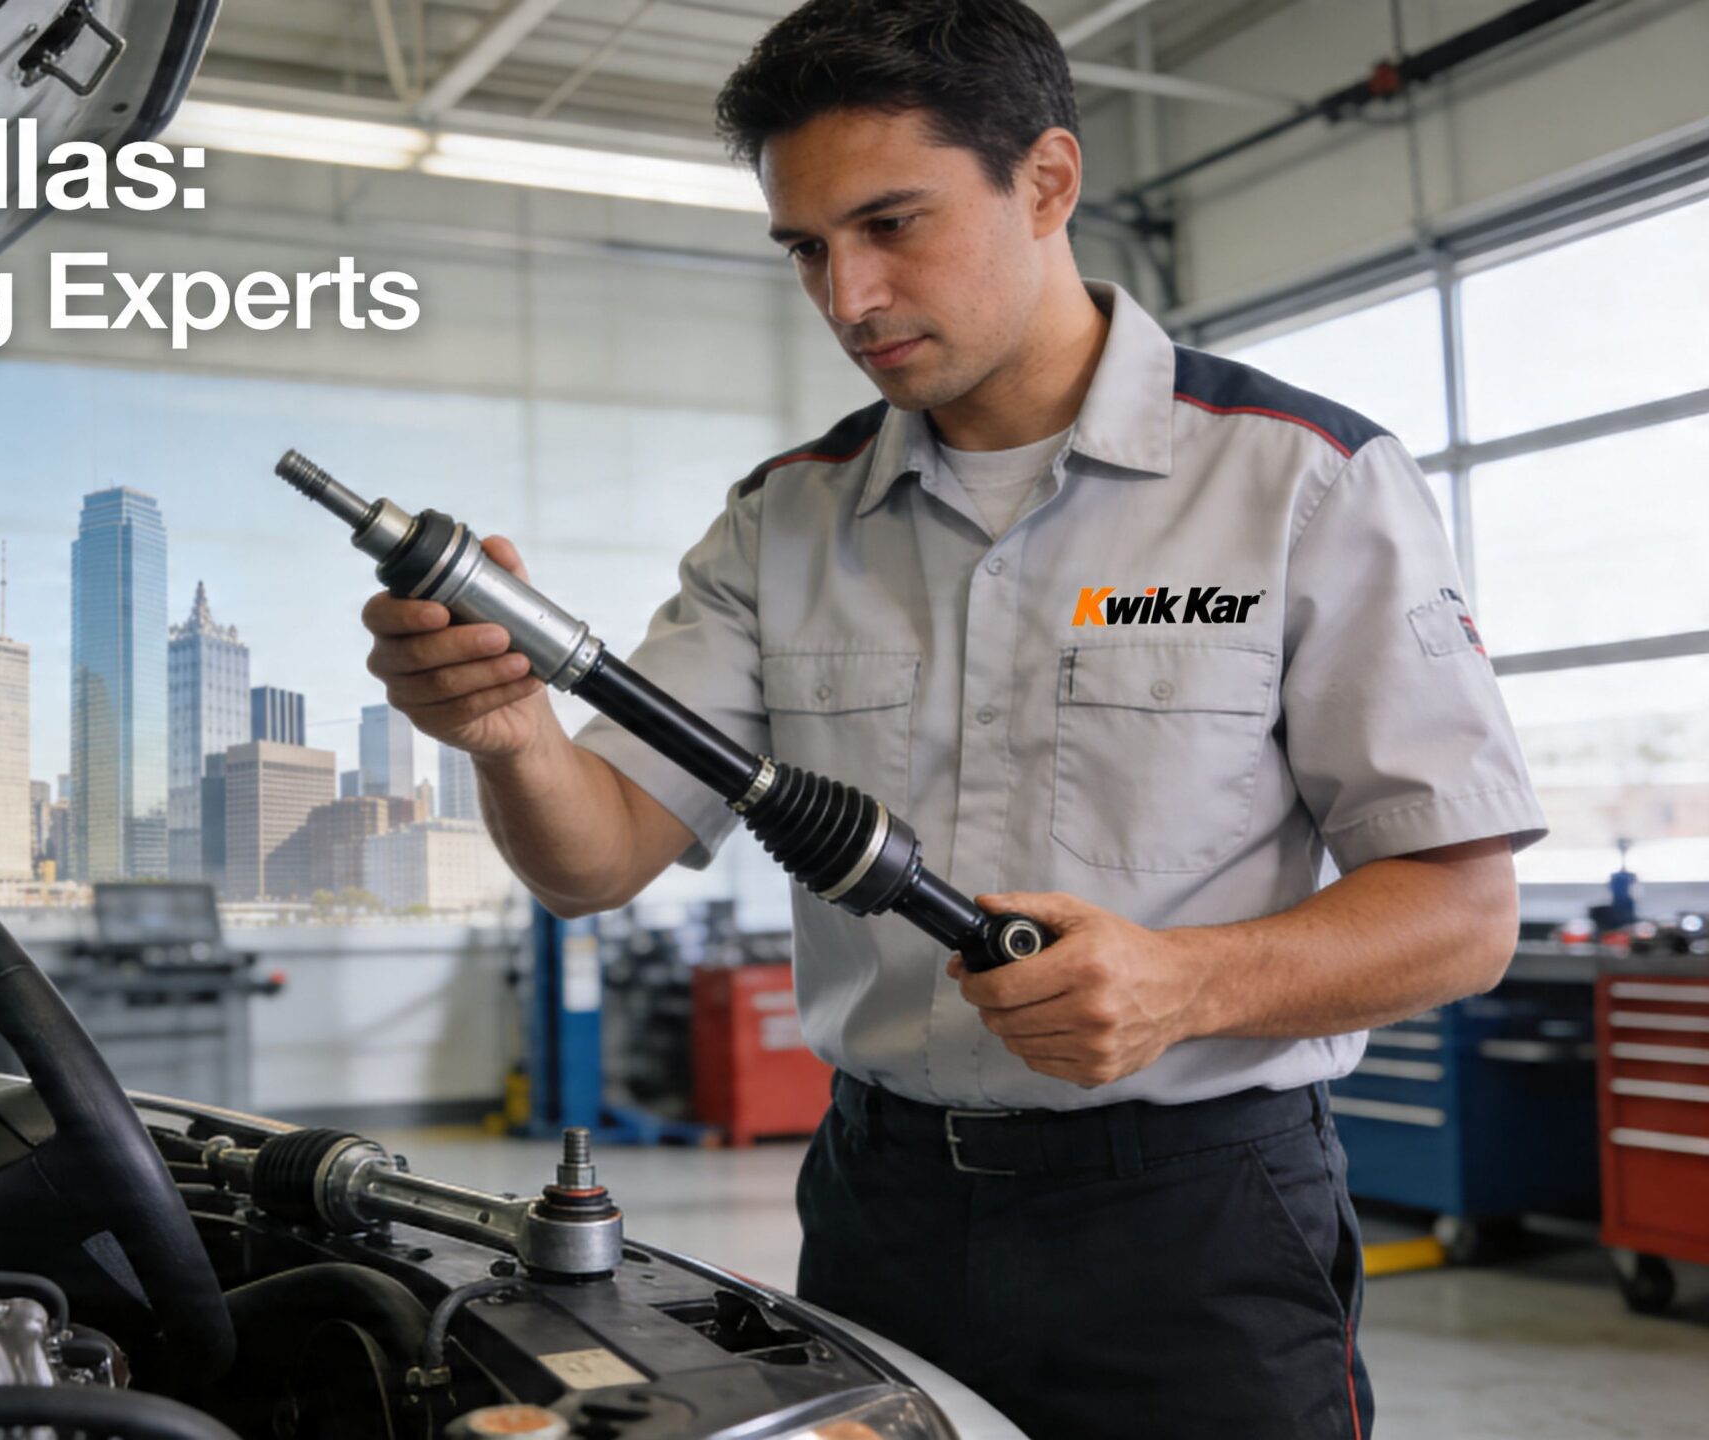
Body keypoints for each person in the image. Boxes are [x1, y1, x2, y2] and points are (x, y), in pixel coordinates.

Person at [357, 2, 1546, 1435]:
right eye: (807, 247)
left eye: (893, 224)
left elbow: (1465, 914)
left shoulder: (1299, 484)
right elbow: (594, 856)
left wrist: (1189, 981)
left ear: (1046, 181)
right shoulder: (781, 520)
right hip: (881, 1212)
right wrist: (511, 736)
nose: (848, 296)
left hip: (1200, 1221)